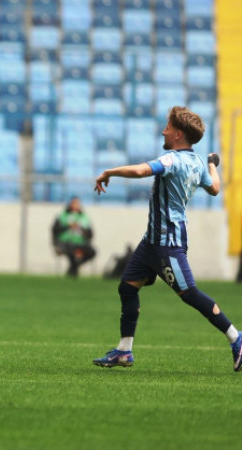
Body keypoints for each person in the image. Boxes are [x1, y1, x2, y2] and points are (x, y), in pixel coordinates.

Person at [92, 106, 242, 372]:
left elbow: (140, 171)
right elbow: (215, 188)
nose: (163, 130)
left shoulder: (173, 160)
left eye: (167, 127)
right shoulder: (196, 162)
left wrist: (109, 171)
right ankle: (124, 351)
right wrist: (211, 163)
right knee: (127, 287)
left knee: (190, 293)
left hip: (167, 243)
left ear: (178, 134)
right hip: (151, 241)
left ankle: (237, 338)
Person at [51, 196, 96, 278]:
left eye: (77, 203)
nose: (76, 205)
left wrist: (81, 230)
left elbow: (90, 234)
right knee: (70, 250)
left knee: (92, 252)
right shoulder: (63, 216)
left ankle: (73, 268)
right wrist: (69, 227)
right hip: (65, 242)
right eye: (74, 203)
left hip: (80, 242)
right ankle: (73, 270)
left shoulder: (84, 217)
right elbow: (55, 230)